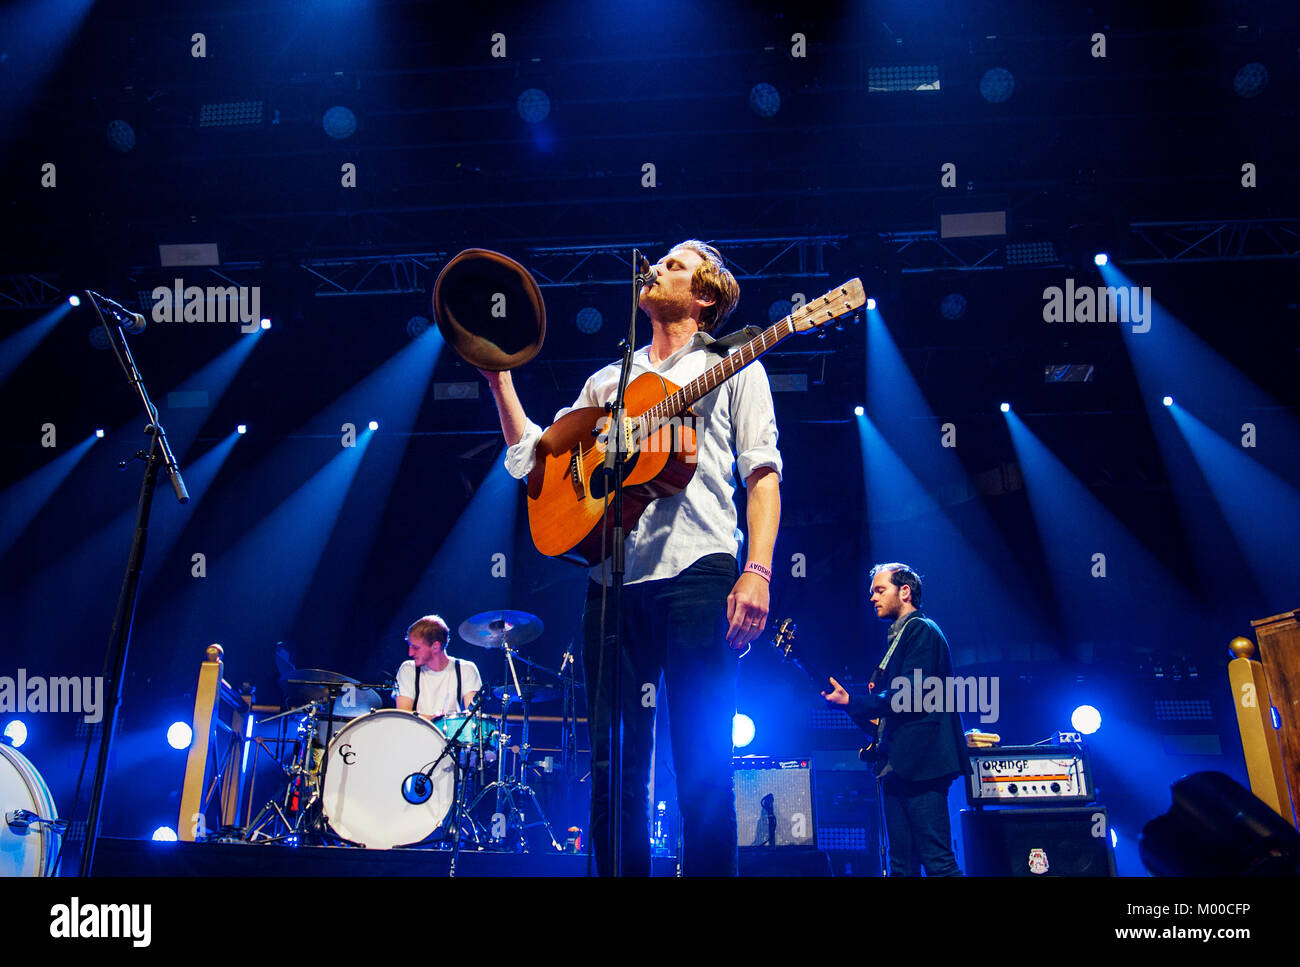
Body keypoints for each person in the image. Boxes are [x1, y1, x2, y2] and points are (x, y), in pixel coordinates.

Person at [480, 240, 782, 876]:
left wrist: (756, 571)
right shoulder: (608, 381)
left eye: (675, 264)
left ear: (704, 295)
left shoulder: (734, 365)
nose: (657, 269)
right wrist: (499, 378)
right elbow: (534, 461)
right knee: (613, 762)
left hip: (700, 573)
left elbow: (762, 475)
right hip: (613, 583)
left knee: (702, 759)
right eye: (660, 261)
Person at [822, 563, 971, 876]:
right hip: (899, 765)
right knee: (900, 865)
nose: (872, 598)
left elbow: (913, 695)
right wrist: (855, 709)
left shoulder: (922, 630)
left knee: (938, 862)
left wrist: (854, 701)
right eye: (872, 592)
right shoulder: (900, 638)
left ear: (905, 592)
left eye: (880, 590)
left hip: (922, 765)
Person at [395, 615, 482, 718]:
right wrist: (436, 720)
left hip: (452, 733)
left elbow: (473, 716)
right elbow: (403, 715)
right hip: (416, 733)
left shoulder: (466, 669)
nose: (410, 653)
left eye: (416, 647)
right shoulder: (408, 669)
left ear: (435, 646)